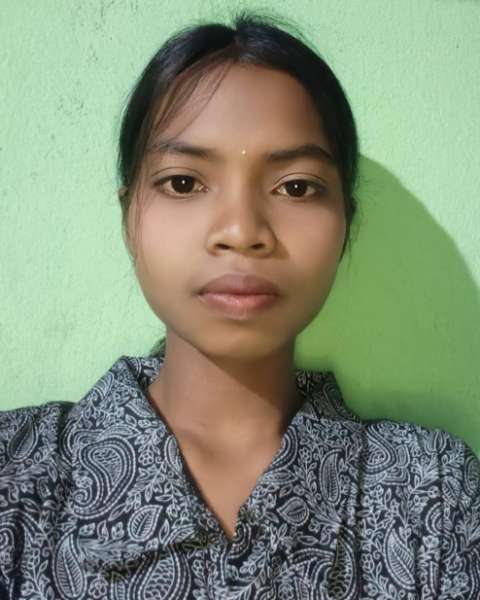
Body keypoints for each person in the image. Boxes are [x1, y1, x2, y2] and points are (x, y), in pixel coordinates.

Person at [1, 9, 479, 600]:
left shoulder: (433, 494)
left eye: (296, 187)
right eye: (183, 182)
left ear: (345, 225)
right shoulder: (15, 478)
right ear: (129, 217)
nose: (242, 231)